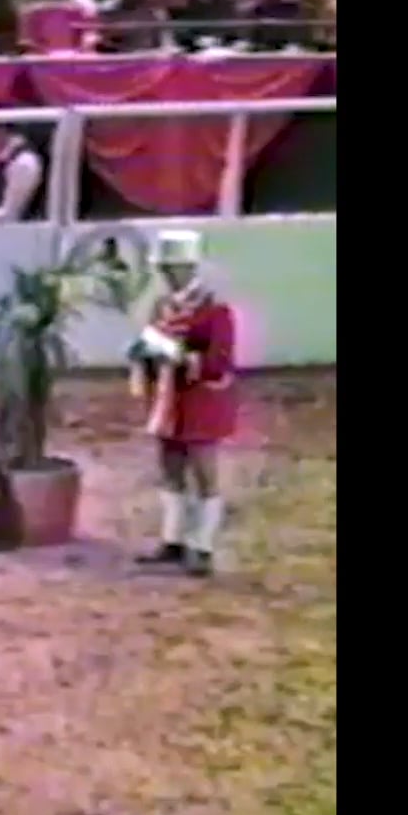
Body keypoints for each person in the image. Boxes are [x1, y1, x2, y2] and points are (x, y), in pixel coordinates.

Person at [128, 230, 237, 578]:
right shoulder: (162, 306)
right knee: (171, 468)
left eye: (171, 269)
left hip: (200, 398)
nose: (166, 275)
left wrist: (174, 354)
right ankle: (173, 541)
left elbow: (218, 361)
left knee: (205, 473)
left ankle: (202, 547)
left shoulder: (215, 309)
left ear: (188, 268)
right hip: (169, 397)